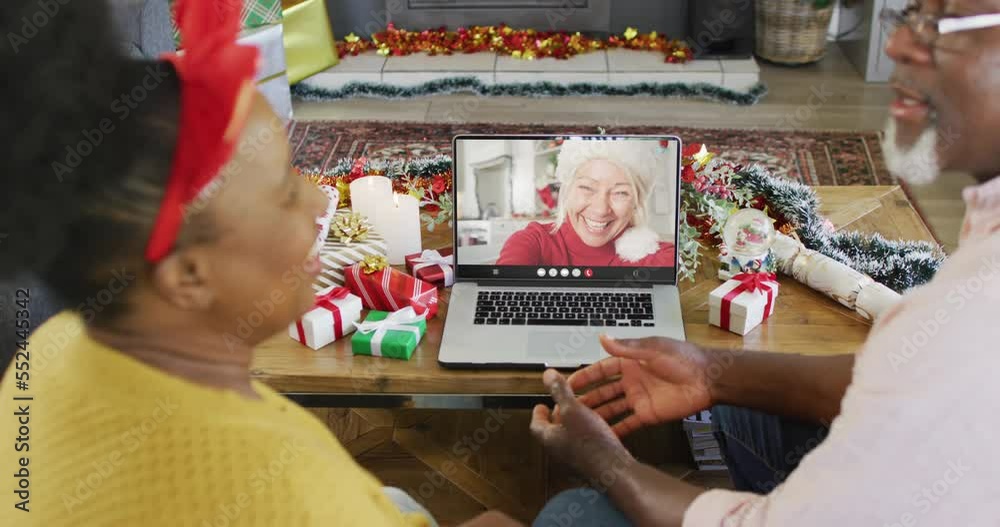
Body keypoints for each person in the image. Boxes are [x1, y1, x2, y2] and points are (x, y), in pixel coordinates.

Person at [0, 1, 527, 525]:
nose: (321, 202)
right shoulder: (294, 493)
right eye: (284, 193)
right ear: (188, 275)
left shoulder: (45, 350)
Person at [529, 1, 1000, 525]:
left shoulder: (979, 320)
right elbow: (902, 368)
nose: (894, 46)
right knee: (732, 391)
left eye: (938, 24)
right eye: (909, 15)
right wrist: (711, 374)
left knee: (568, 513)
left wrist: (603, 463)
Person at [496, 139, 676, 267]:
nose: (600, 210)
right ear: (567, 190)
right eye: (587, 188)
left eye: (620, 193)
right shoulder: (532, 242)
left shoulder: (660, 256)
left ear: (636, 202)